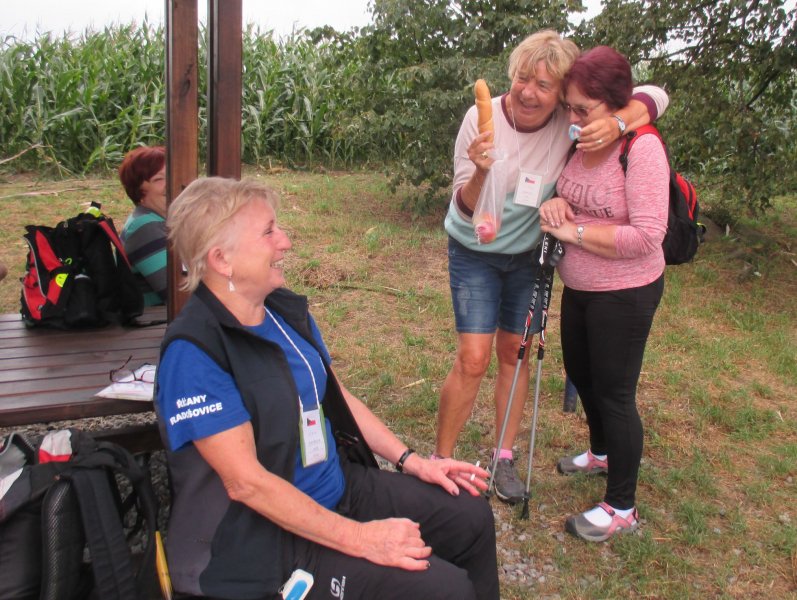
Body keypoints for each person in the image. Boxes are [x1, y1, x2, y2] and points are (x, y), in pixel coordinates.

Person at [155, 177, 499, 600]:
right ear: (222, 259)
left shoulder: (281, 310)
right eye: (268, 231)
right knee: (443, 590)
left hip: (336, 488)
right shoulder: (194, 353)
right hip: (266, 537)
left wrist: (412, 461)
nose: (285, 241)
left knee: (470, 515)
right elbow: (246, 484)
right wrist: (363, 540)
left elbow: (334, 395)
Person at [436, 29, 669, 504]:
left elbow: (657, 95)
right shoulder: (480, 120)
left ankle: (503, 459)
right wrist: (480, 170)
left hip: (527, 257)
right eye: (523, 77)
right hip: (474, 254)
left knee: (514, 354)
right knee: (473, 358)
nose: (528, 91)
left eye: (544, 84)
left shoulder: (570, 121)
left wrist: (622, 123)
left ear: (561, 94)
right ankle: (441, 461)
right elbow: (463, 208)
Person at [539, 46, 669, 542]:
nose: (571, 119)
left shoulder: (641, 148)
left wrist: (572, 235)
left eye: (581, 110)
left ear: (616, 106)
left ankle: (622, 507)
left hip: (626, 291)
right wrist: (556, 203)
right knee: (581, 374)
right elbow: (569, 193)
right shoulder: (579, 143)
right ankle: (600, 451)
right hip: (581, 286)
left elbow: (645, 236)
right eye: (569, 107)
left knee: (615, 394)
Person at [118, 145, 168, 306]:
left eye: (173, 174)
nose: (170, 184)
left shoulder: (163, 220)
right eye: (159, 179)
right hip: (156, 322)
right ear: (139, 192)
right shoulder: (145, 227)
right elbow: (178, 293)